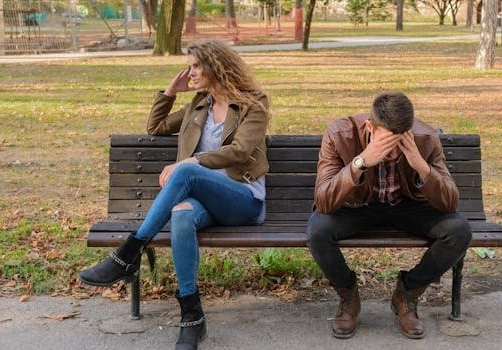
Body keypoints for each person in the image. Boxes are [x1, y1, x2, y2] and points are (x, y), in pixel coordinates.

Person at [79, 39, 270, 350]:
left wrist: (192, 161)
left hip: (243, 198)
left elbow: (240, 151)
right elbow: (155, 127)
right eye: (189, 66)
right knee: (181, 214)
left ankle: (128, 253)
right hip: (203, 199)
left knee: (185, 171)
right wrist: (170, 91)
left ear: (216, 66)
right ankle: (191, 317)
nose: (190, 72)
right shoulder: (198, 105)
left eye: (196, 66)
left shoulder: (254, 102)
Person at [306, 92, 471, 339]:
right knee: (318, 230)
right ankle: (348, 294)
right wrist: (360, 163)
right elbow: (324, 201)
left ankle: (408, 292)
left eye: (399, 143)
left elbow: (449, 202)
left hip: (406, 206)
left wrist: (419, 164)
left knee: (459, 230)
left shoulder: (425, 139)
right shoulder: (340, 134)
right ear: (370, 126)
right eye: (386, 143)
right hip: (357, 207)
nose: (392, 153)